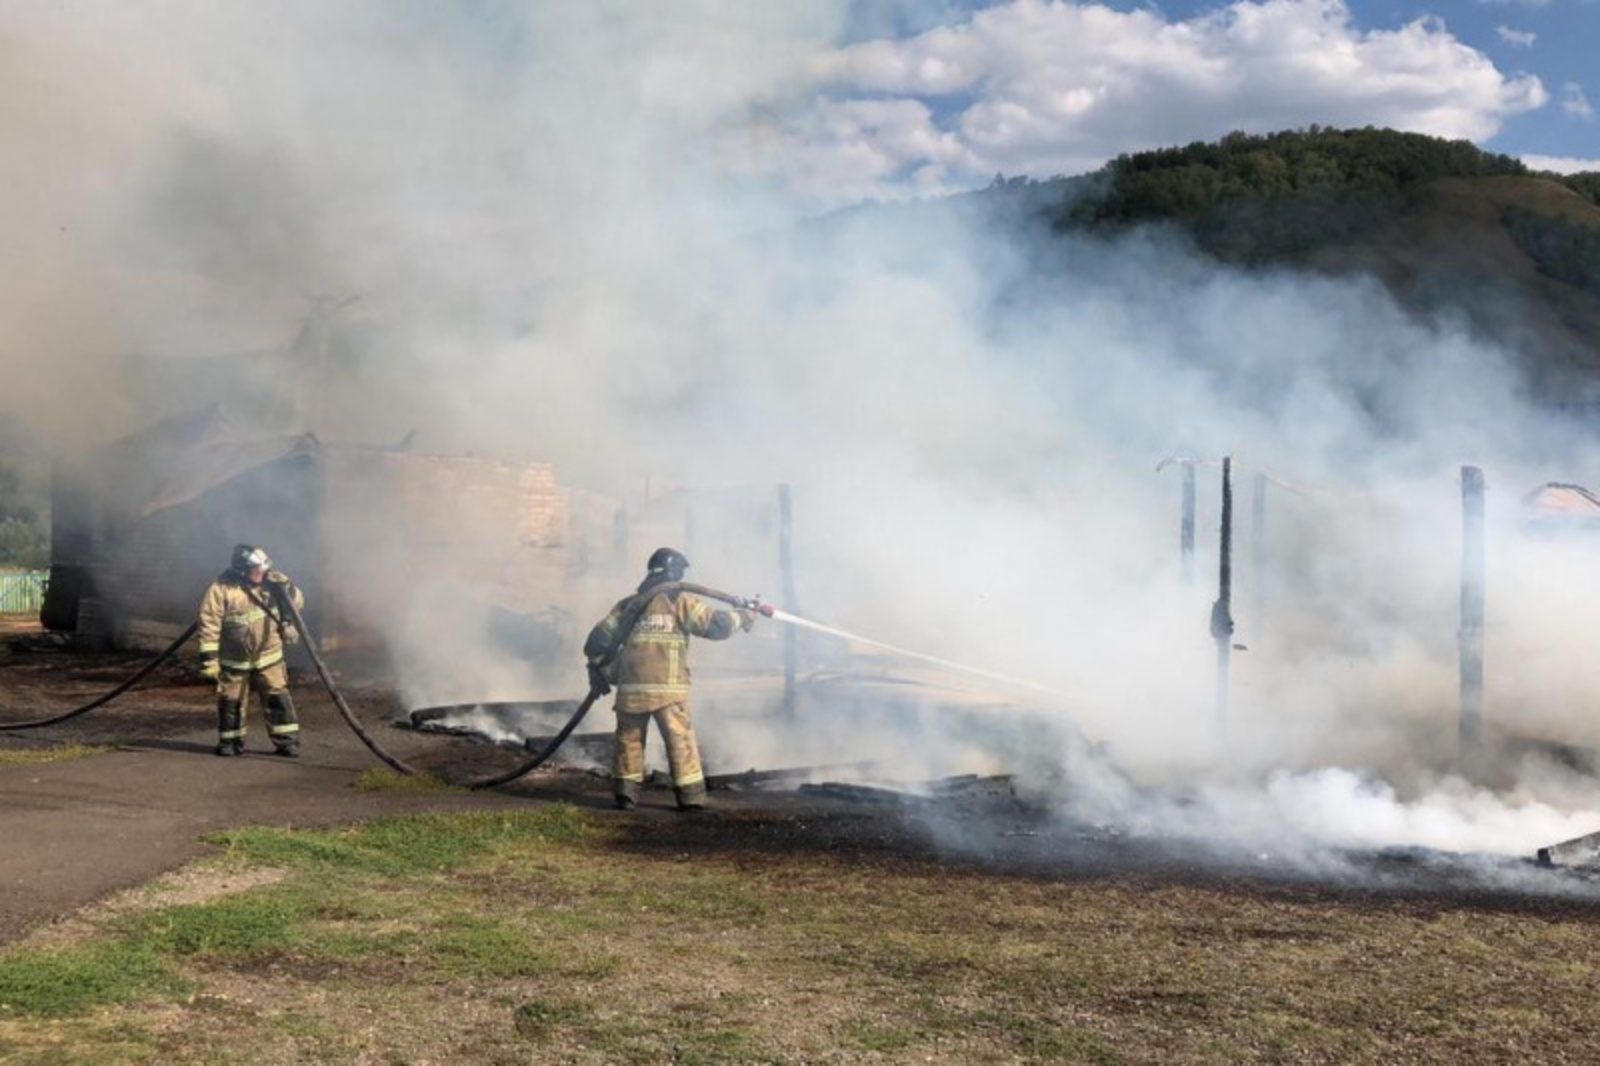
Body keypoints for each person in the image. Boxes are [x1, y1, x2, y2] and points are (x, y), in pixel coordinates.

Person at [584, 547, 755, 811]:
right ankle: (691, 798)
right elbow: (716, 627)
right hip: (668, 691)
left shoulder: (628, 604)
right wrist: (744, 616)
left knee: (628, 741)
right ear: (675, 573)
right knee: (680, 740)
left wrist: (597, 670)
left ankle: (626, 796)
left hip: (631, 690)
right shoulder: (681, 602)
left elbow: (596, 642)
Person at [196, 544, 305, 758]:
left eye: (263, 566)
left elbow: (298, 602)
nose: (261, 571)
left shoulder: (273, 584)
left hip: (269, 654)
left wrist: (288, 590)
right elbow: (208, 623)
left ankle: (287, 742)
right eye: (256, 567)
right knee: (231, 701)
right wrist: (210, 660)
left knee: (278, 697)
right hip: (234, 659)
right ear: (241, 569)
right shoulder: (221, 590)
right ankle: (230, 742)